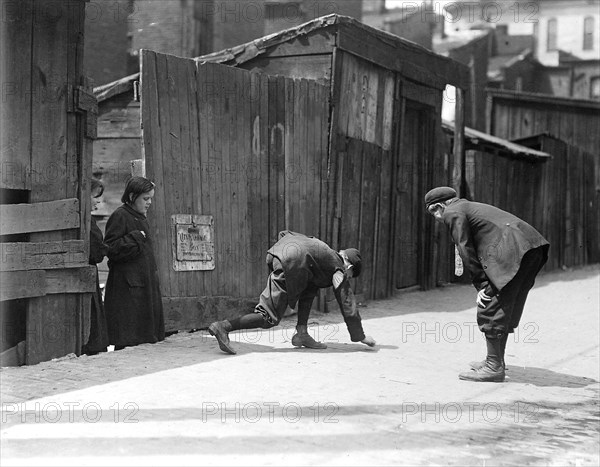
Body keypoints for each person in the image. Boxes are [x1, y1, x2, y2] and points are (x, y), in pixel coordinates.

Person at [424, 187, 549, 382]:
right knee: (505, 304)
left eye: (433, 212)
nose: (436, 218)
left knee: (490, 303)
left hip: (514, 250)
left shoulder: (452, 212)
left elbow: (464, 247)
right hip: (531, 247)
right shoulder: (467, 206)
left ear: (440, 206)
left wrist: (482, 284)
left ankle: (494, 366)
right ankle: (496, 361)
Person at [208, 230, 376, 354]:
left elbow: (308, 293)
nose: (347, 277)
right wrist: (359, 335)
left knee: (310, 289)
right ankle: (223, 327)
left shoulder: (323, 256)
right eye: (350, 275)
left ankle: (302, 333)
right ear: (349, 266)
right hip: (293, 261)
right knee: (268, 318)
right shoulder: (337, 266)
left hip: (280, 254)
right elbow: (346, 299)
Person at [104, 176, 165, 349]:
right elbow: (111, 249)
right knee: (128, 337)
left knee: (144, 339)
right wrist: (136, 237)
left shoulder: (140, 217)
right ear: (132, 197)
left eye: (151, 198)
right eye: (146, 198)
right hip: (127, 288)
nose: (149, 203)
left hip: (142, 284)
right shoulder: (120, 216)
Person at [82, 178, 109, 355]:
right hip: (88, 273)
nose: (97, 201)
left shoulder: (86, 218)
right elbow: (96, 252)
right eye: (94, 196)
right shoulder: (87, 220)